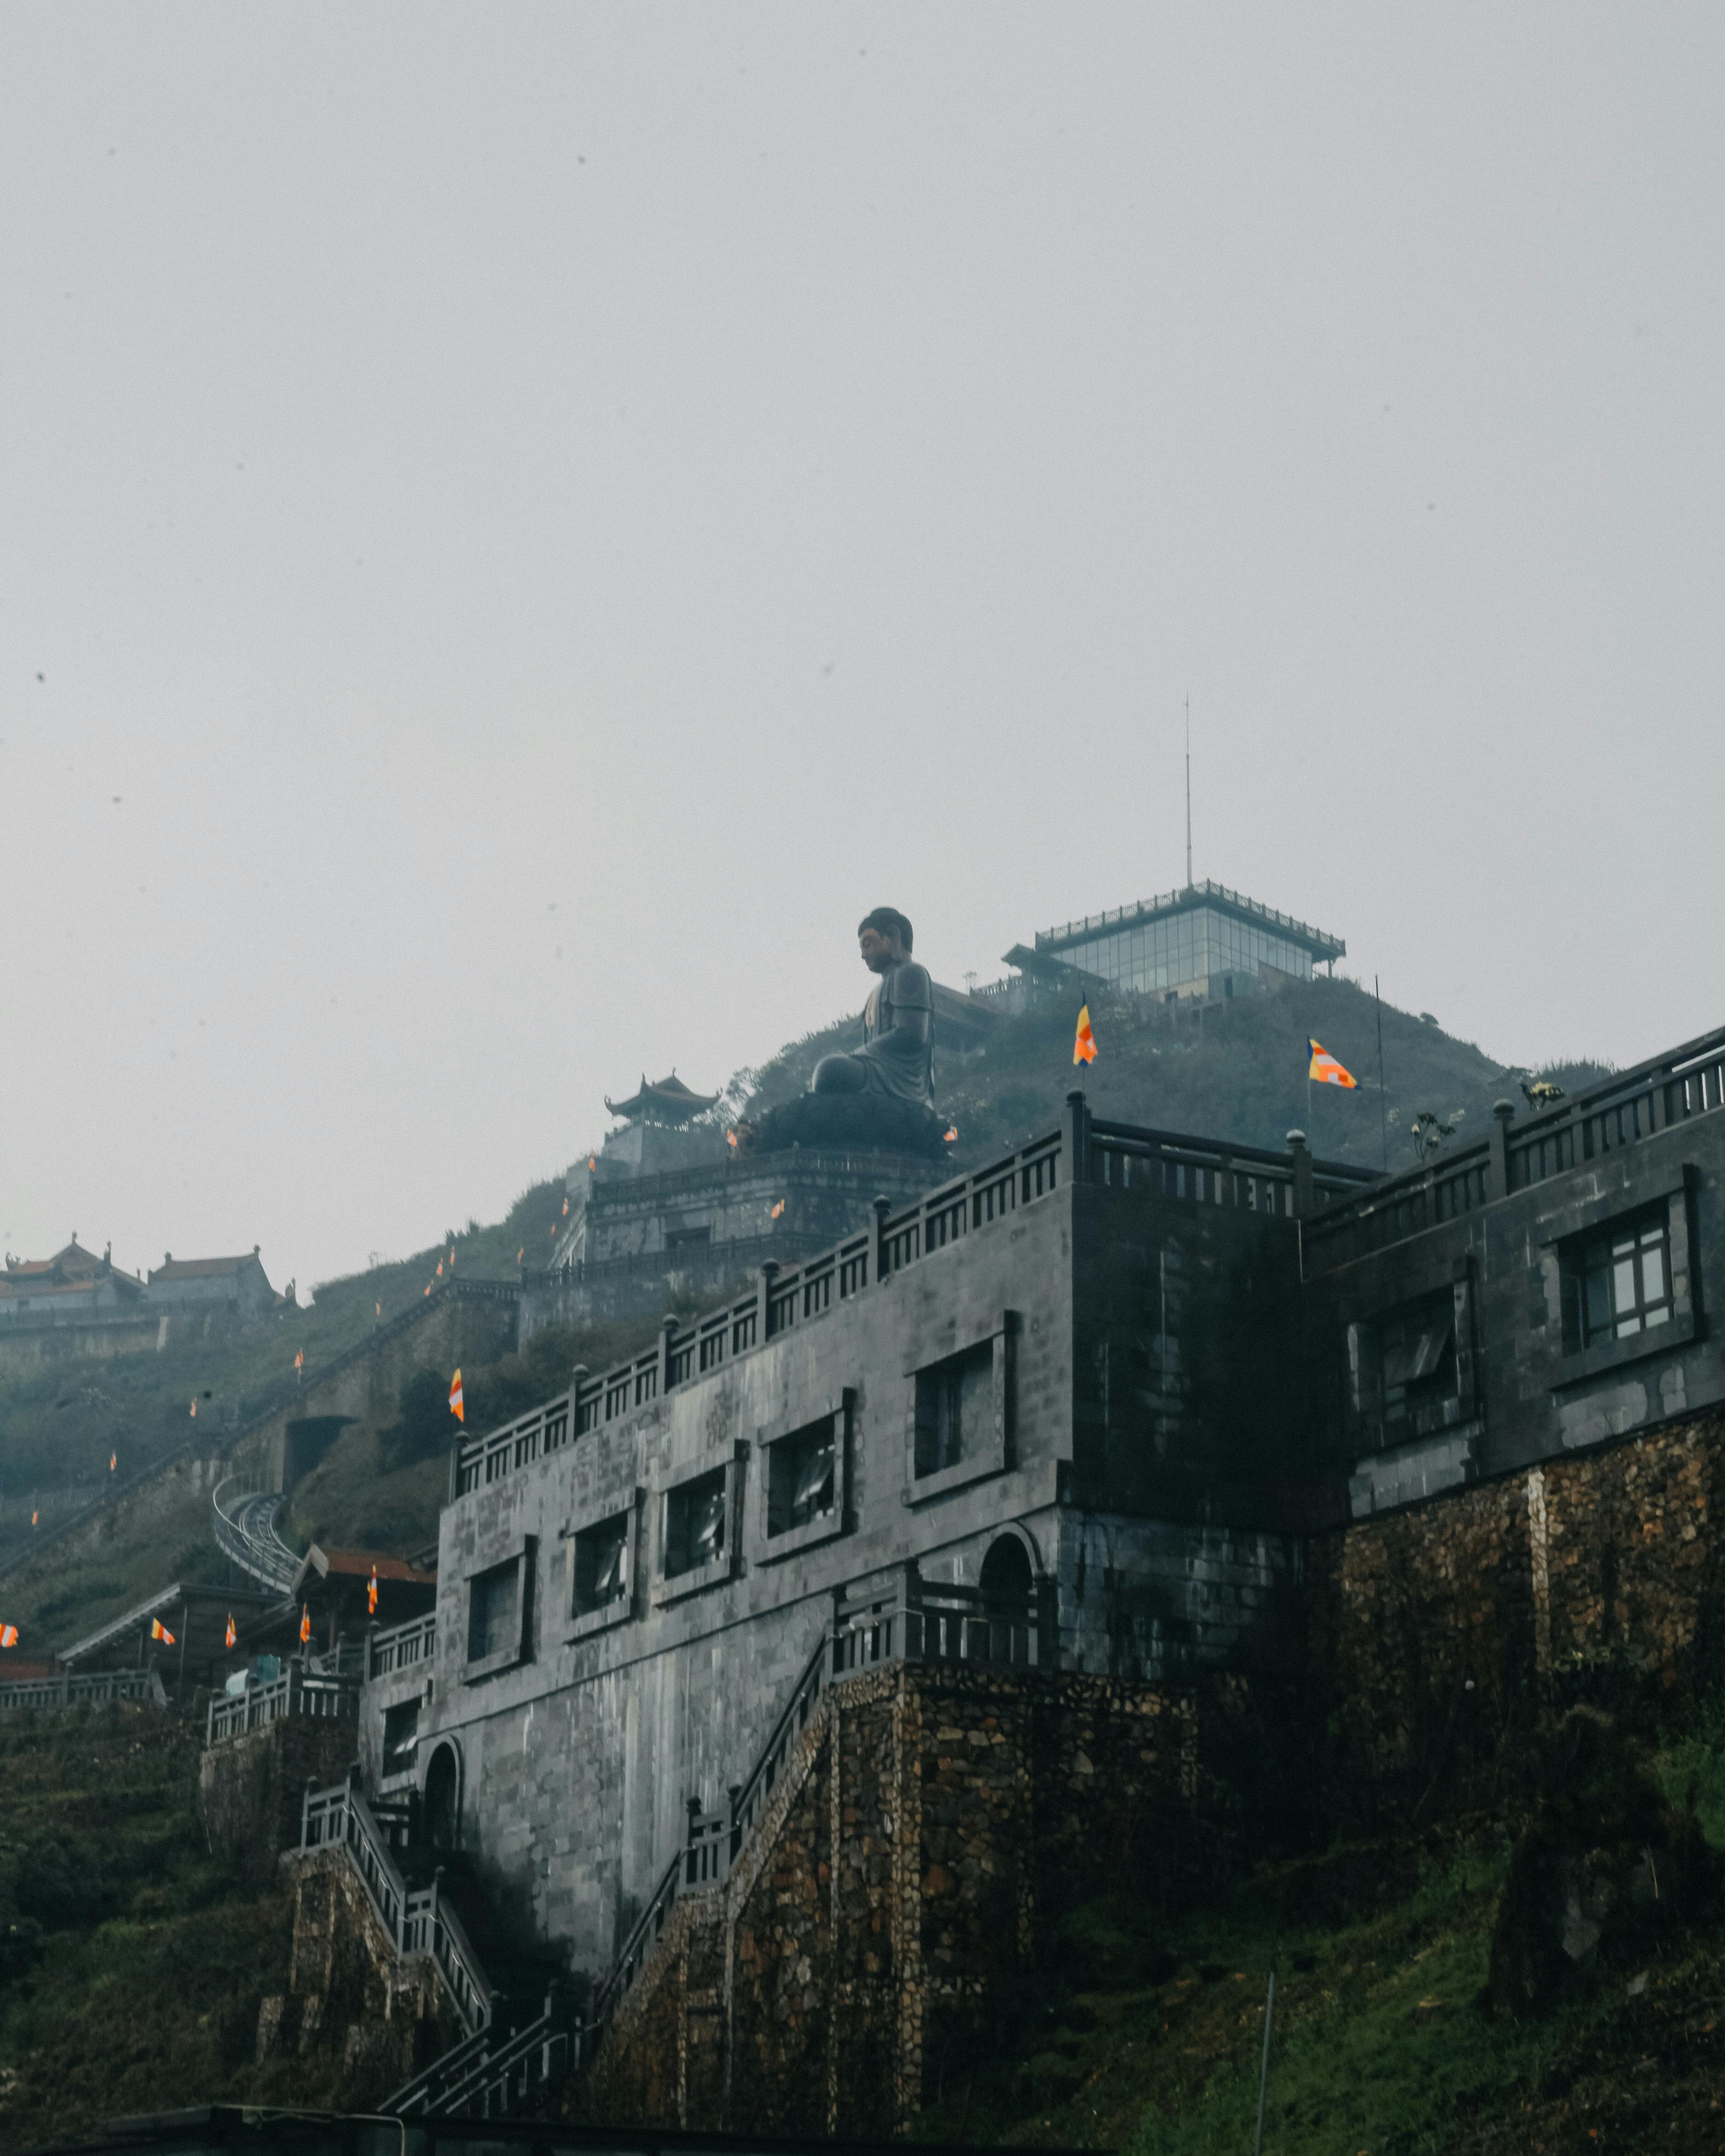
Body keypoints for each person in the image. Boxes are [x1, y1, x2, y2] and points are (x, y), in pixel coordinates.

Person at [810, 907, 935, 1108]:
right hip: (877, 1070)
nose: (863, 955)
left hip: (901, 1080)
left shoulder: (912, 972)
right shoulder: (875, 993)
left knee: (830, 1070)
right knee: (827, 1075)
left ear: (893, 937)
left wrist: (856, 1056)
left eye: (867, 944)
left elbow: (912, 1035)